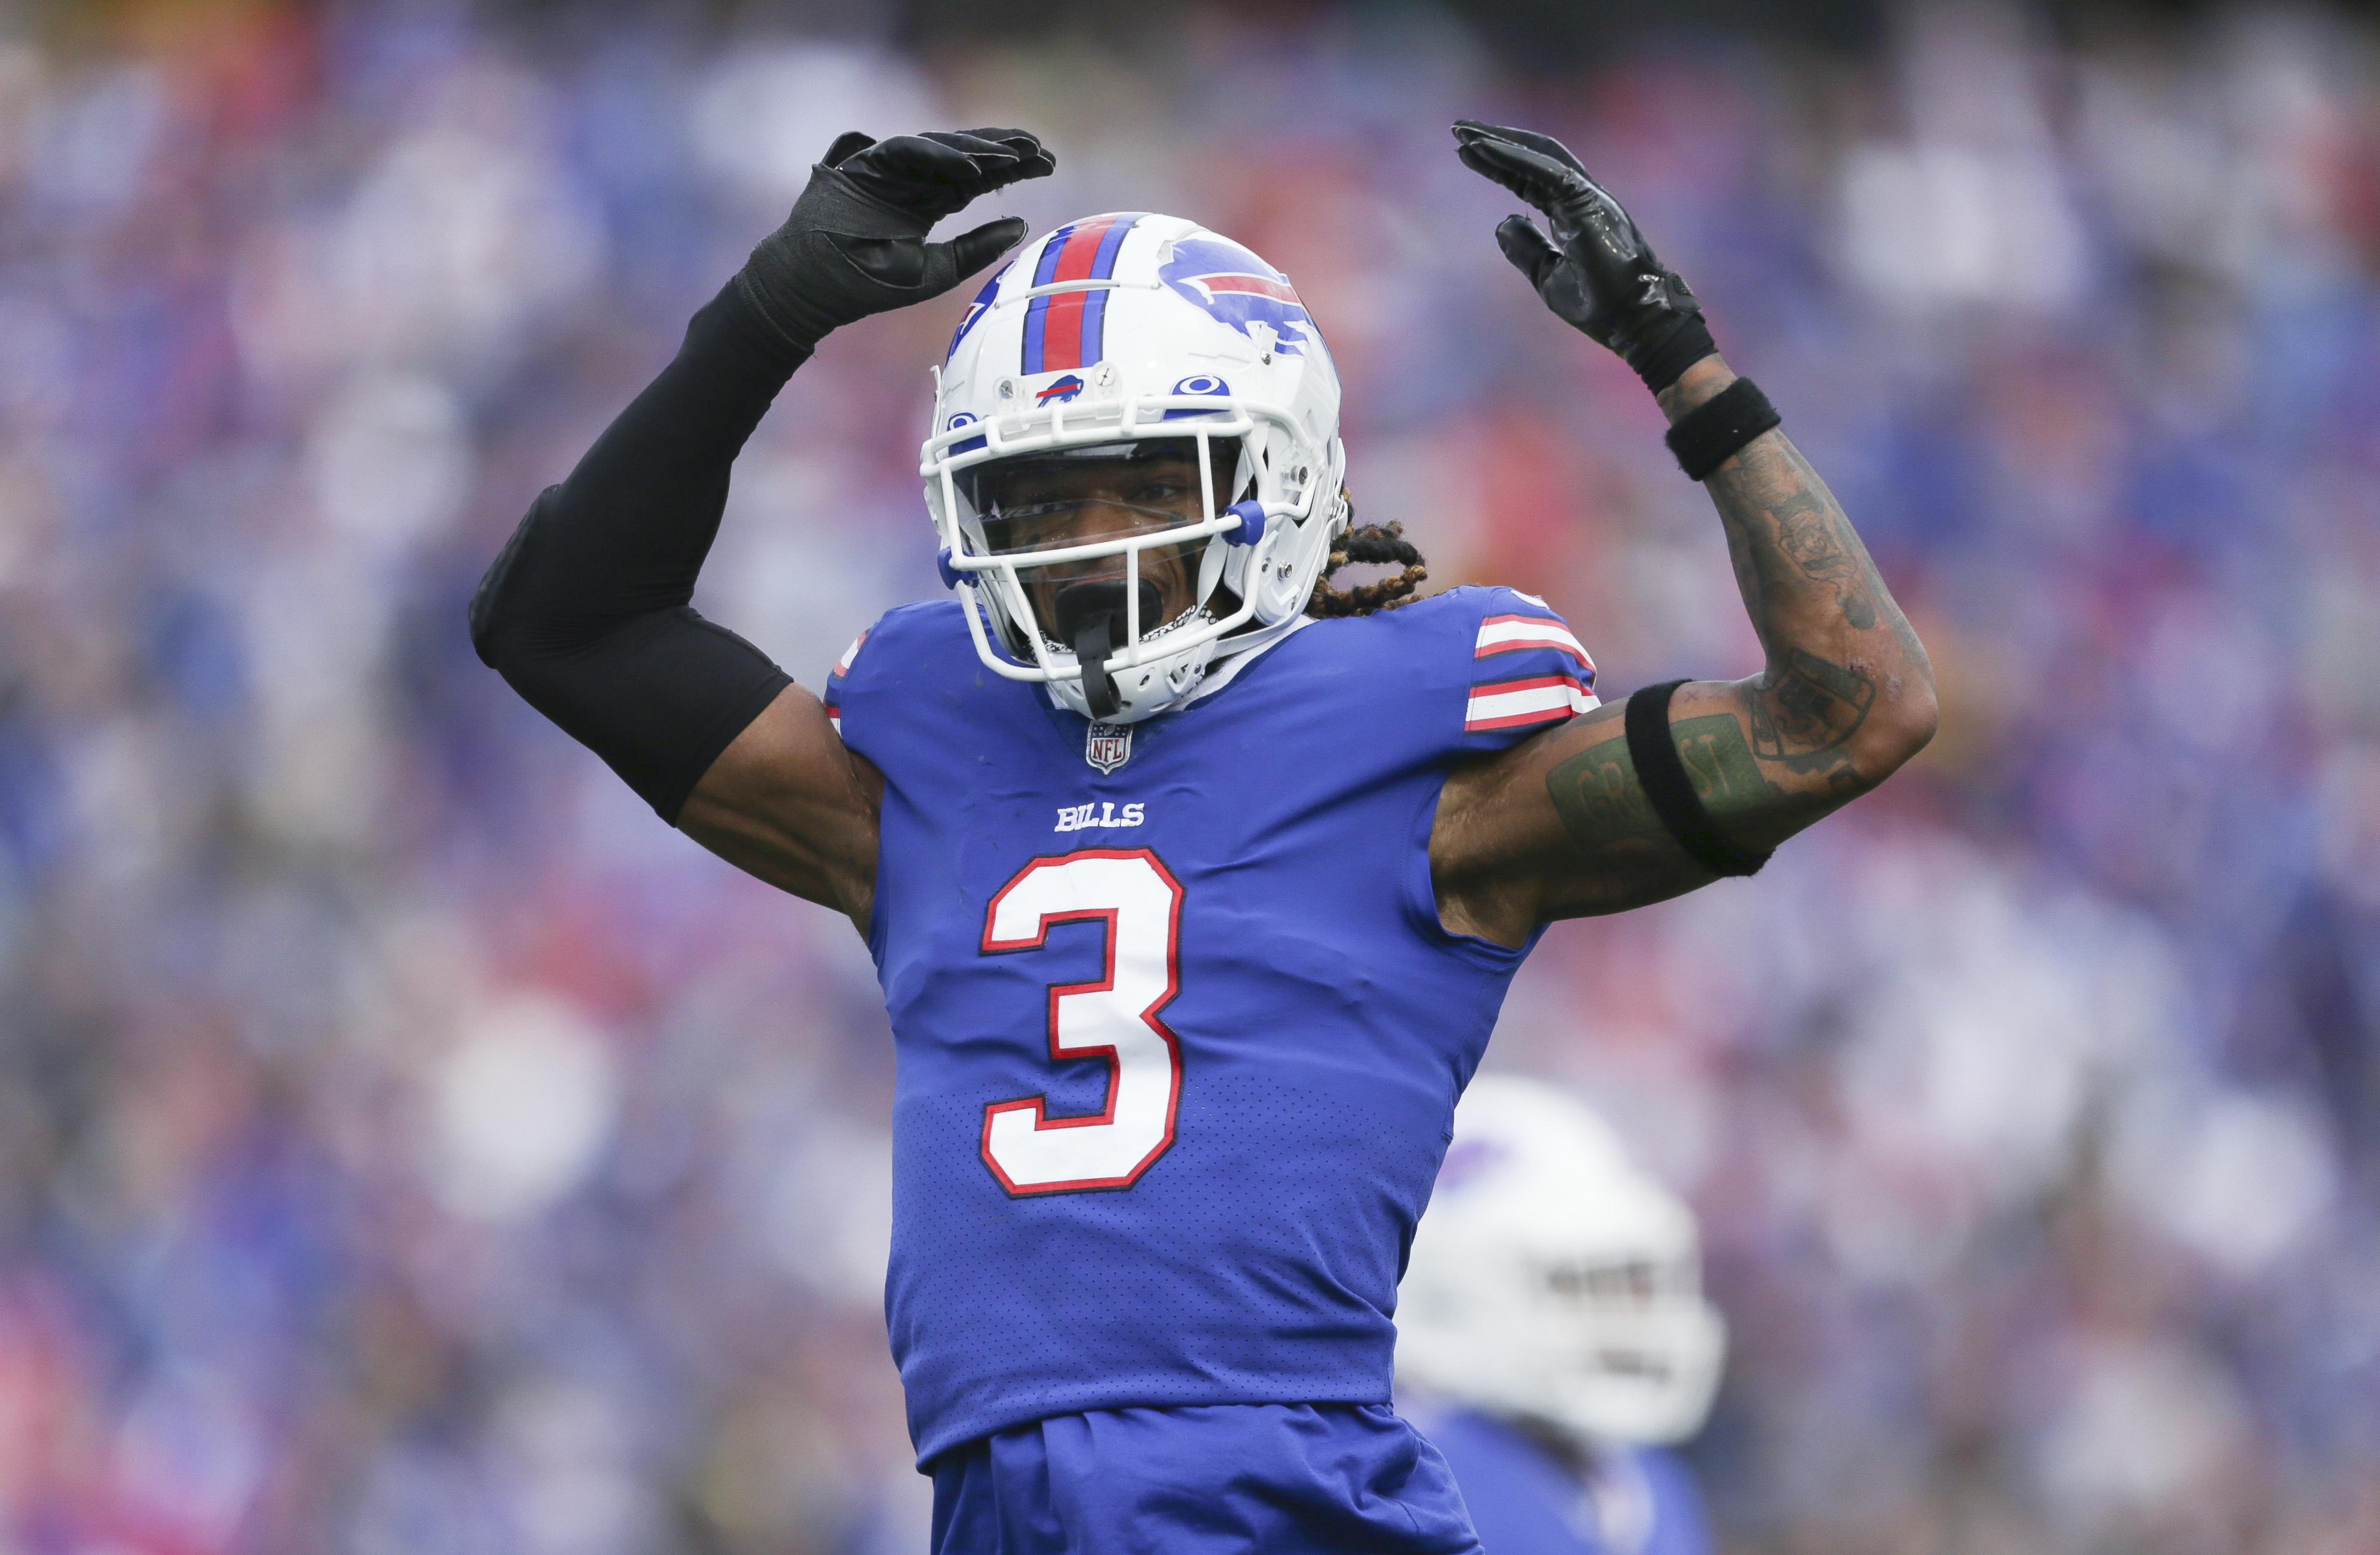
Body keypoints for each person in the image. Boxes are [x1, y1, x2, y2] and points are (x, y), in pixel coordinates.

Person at [470, 121, 1934, 1552]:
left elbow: (1849, 711)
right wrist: (768, 313)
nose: (1093, 538)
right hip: (1000, 1499)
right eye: (1037, 496)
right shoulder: (918, 769)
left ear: (1274, 476)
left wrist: (1681, 364)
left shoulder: (1433, 769)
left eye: (1152, 483)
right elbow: (561, 622)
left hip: (1281, 1485)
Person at [1398, 1074, 1726, 1555]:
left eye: (1636, 1283)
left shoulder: (1645, 1481)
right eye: (1582, 1283)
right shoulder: (1403, 1483)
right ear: (1446, 1288)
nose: (1629, 1317)